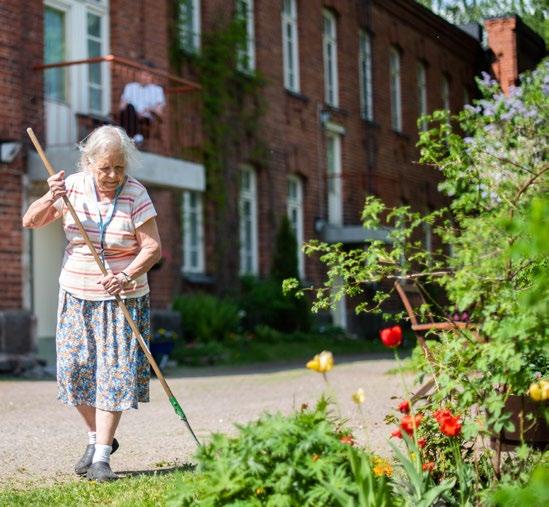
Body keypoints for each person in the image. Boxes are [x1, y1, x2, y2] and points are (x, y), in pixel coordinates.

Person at [22, 126, 161, 481]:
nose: (113, 175)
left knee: (112, 377)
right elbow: (31, 220)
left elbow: (152, 248)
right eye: (105, 168)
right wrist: (49, 196)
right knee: (73, 372)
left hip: (121, 297)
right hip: (75, 292)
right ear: (88, 163)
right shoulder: (70, 188)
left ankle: (101, 458)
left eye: (119, 167)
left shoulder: (135, 194)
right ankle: (98, 438)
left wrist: (126, 274)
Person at [119, 65, 166, 145]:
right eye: (143, 74)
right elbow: (122, 106)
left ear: (152, 76)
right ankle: (136, 135)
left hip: (146, 117)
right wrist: (132, 111)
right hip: (130, 113)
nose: (145, 77)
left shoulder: (157, 90)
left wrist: (149, 109)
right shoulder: (130, 87)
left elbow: (159, 111)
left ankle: (128, 138)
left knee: (130, 113)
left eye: (147, 75)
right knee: (129, 108)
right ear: (138, 75)